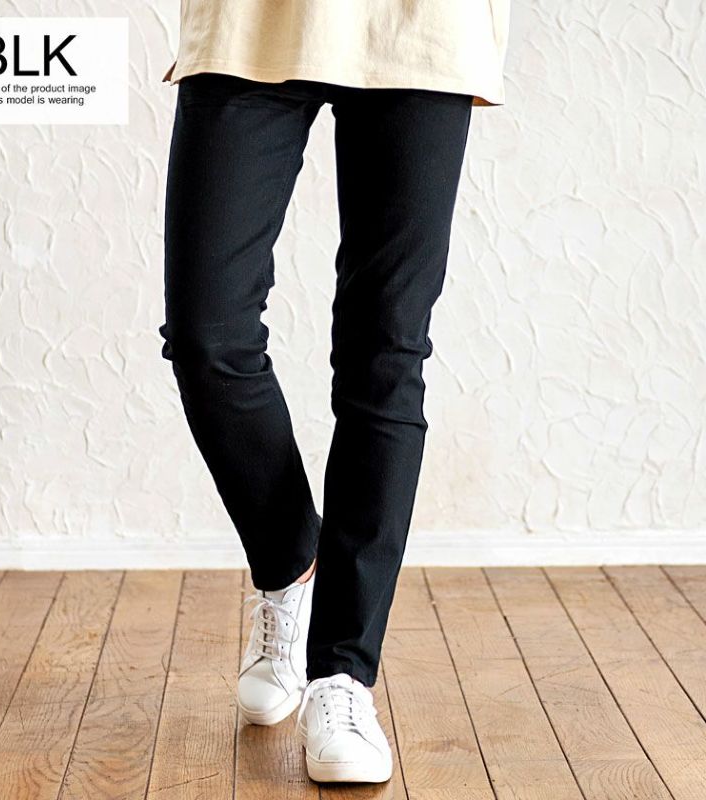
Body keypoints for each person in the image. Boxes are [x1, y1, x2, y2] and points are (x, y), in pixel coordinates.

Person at [159, 0, 510, 785]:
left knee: (386, 348)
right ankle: (292, 562)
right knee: (207, 335)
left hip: (419, 25)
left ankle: (342, 675)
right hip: (252, 19)